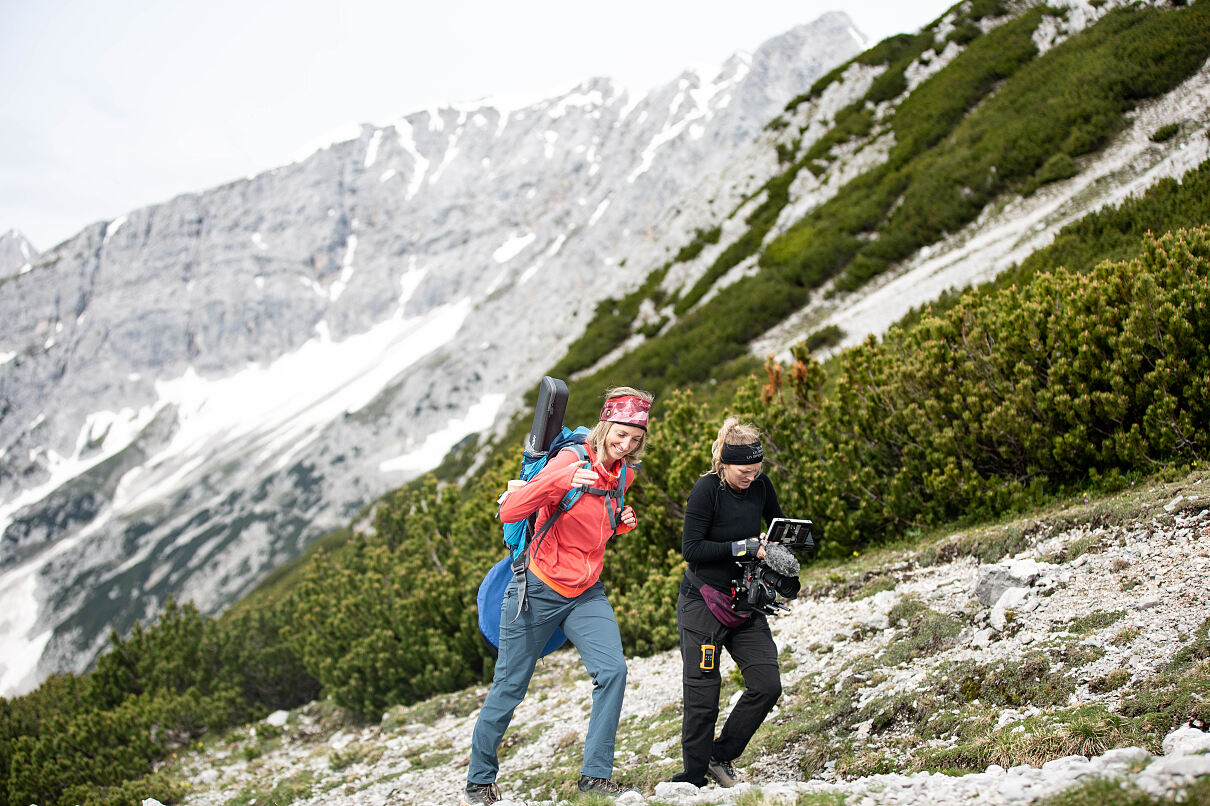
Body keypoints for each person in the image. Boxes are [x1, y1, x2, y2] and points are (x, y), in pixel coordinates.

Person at [461, 386, 655, 806]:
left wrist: (622, 521)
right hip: (537, 589)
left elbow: (595, 528)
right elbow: (510, 511)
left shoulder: (624, 475)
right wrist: (560, 480)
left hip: (586, 592)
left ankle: (595, 778)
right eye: (620, 435)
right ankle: (478, 782)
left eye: (635, 440)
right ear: (606, 426)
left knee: (613, 672)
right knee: (509, 687)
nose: (625, 446)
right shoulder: (570, 459)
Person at [671, 418, 800, 788]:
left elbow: (777, 524)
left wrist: (777, 545)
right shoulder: (706, 490)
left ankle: (719, 755)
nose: (752, 477)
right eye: (745, 471)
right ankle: (691, 781)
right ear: (724, 464)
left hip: (745, 602)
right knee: (703, 694)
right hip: (702, 607)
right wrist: (741, 547)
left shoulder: (761, 484)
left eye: (757, 469)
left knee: (767, 684)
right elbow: (691, 549)